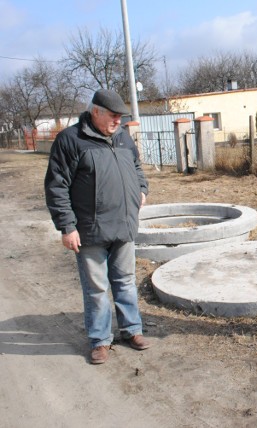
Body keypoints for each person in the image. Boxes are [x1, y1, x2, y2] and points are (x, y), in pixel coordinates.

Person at [44, 89, 151, 364]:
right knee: (97, 288)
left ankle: (132, 330)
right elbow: (57, 187)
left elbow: (137, 167)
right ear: (96, 112)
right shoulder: (70, 140)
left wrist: (142, 188)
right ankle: (100, 340)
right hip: (90, 230)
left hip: (124, 225)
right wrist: (67, 227)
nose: (118, 121)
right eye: (113, 116)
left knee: (126, 282)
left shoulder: (123, 137)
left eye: (120, 117)